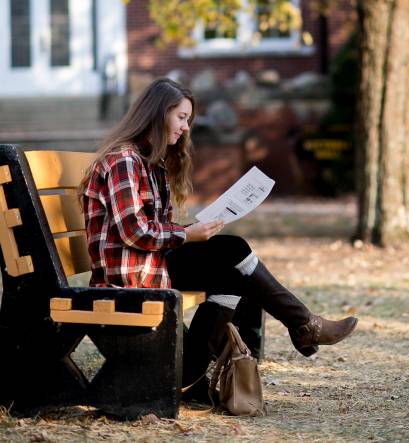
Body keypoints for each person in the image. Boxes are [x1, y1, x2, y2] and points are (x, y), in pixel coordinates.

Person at [79, 77, 357, 403]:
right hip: (128, 274)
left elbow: (155, 228)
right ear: (157, 114)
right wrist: (187, 234)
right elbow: (134, 232)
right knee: (232, 249)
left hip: (149, 262)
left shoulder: (150, 165)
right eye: (181, 117)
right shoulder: (123, 161)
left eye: (188, 120)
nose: (185, 128)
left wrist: (191, 232)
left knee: (232, 271)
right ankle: (304, 325)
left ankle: (194, 374)